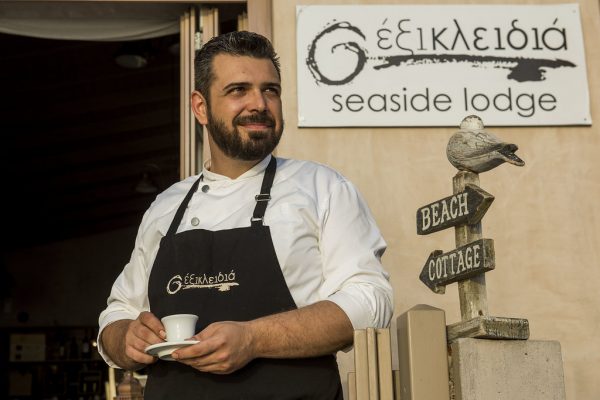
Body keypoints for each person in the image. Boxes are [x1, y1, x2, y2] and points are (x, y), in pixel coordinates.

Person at [98, 30, 393, 399]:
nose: (259, 104)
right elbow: (117, 313)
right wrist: (125, 338)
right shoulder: (165, 207)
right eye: (238, 90)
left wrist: (253, 339)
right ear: (200, 107)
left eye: (270, 90)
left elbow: (371, 301)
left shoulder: (322, 187)